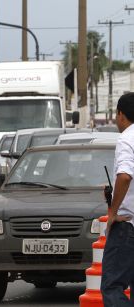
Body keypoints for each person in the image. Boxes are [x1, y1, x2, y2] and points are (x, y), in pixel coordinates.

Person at [101, 92, 134, 306]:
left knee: (113, 286)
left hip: (128, 227)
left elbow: (124, 175)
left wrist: (112, 212)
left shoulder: (127, 138)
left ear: (121, 115)